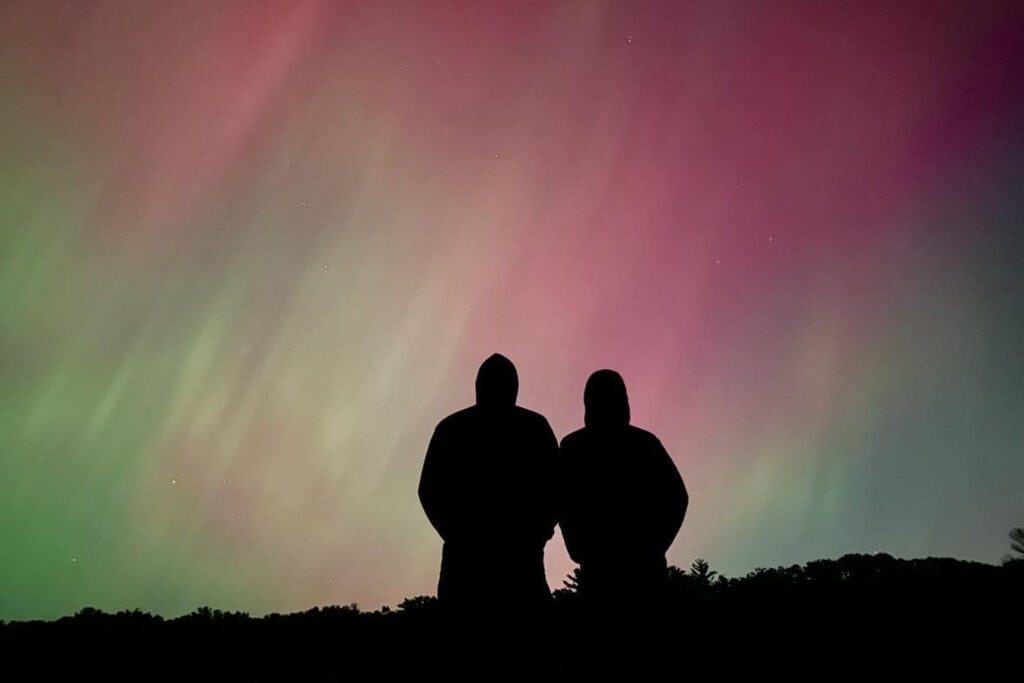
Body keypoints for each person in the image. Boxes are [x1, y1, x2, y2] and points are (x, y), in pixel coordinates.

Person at [418, 353, 559, 673]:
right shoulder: (534, 428)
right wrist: (539, 532)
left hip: (478, 571)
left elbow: (428, 491)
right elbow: (558, 488)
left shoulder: (451, 430)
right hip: (509, 570)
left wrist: (456, 534)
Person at [558, 369, 688, 673]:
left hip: (623, 570)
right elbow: (561, 500)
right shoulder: (638, 444)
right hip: (614, 570)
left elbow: (677, 497)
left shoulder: (576, 447)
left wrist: (655, 546)